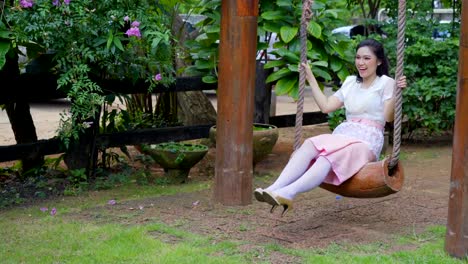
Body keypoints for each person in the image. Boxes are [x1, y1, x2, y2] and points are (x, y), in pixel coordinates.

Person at [254, 39, 407, 216]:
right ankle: (274, 188)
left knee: (327, 158)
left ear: (379, 61)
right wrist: (310, 78)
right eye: (358, 57)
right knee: (310, 144)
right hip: (345, 133)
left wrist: (397, 94)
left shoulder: (386, 83)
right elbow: (326, 106)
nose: (361, 63)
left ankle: (288, 193)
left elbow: (388, 117)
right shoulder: (350, 82)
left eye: (367, 58)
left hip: (367, 139)